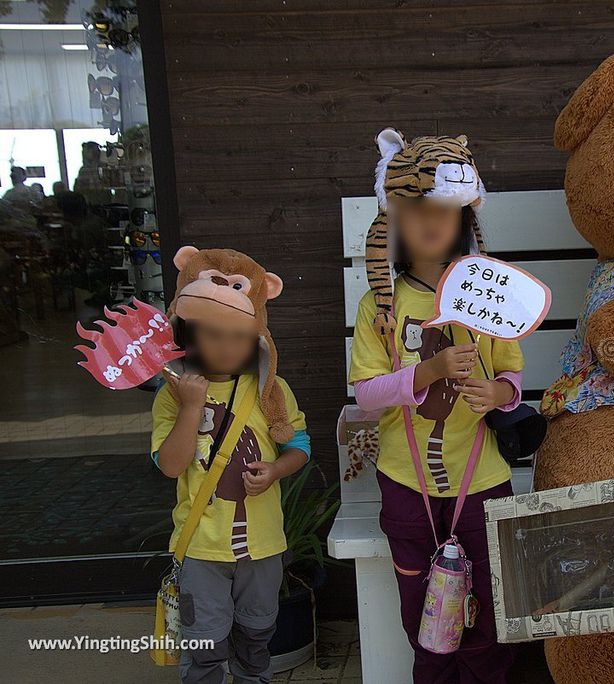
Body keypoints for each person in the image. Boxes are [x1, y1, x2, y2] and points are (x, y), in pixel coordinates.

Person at [348, 132, 523, 683]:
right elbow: (367, 395)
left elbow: (513, 375)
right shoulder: (380, 305)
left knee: (489, 613)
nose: (430, 221)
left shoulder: (486, 293)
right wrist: (427, 372)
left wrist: (499, 393)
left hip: (484, 479)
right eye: (415, 209)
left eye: (444, 210)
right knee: (422, 616)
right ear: (392, 220)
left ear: (465, 218)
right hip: (406, 482)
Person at [150, 249, 311, 684]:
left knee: (258, 634)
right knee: (204, 644)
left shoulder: (271, 390)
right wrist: (190, 407)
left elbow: (299, 445)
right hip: (201, 546)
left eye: (238, 335)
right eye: (211, 334)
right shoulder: (172, 394)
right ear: (186, 332)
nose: (225, 346)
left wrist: (277, 470)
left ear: (257, 335)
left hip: (263, 544)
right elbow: (170, 465)